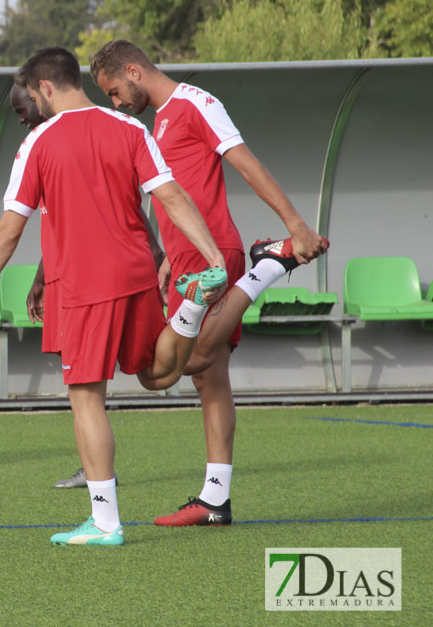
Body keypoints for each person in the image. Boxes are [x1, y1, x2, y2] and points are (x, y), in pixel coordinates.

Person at [0, 47, 230, 547]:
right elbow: (169, 195)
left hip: (81, 286)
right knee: (157, 373)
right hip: (134, 273)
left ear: (44, 87)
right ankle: (191, 306)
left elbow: (8, 229)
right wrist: (212, 257)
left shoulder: (38, 143)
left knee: (86, 398)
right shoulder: (132, 129)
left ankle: (105, 521)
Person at [89, 40, 329, 527]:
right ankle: (215, 499)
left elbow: (245, 162)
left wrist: (295, 223)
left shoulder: (196, 104)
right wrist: (165, 259)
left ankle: (268, 265)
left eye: (114, 91)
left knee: (181, 362)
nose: (115, 103)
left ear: (134, 71)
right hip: (185, 262)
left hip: (214, 256)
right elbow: (173, 195)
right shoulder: (159, 121)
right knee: (208, 377)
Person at [12, 84, 156, 491]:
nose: (22, 118)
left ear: (43, 93)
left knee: (86, 390)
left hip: (90, 281)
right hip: (84, 275)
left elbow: (120, 209)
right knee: (144, 377)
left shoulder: (58, 140)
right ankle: (93, 467)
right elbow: (66, 218)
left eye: (23, 109)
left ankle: (102, 503)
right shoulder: (51, 142)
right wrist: (42, 277)